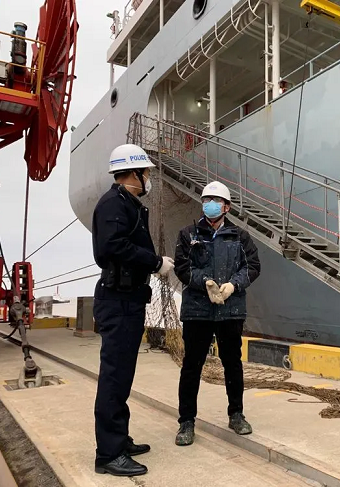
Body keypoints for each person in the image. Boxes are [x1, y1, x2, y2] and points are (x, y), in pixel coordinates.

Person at [92, 144, 175, 477]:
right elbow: (112, 246)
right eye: (146, 172)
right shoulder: (113, 203)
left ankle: (119, 440)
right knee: (114, 376)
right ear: (134, 173)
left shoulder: (126, 203)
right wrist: (154, 262)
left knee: (122, 375)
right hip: (118, 300)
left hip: (127, 299)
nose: (149, 178)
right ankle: (109, 454)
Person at [173, 181, 260, 446]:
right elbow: (182, 267)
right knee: (192, 365)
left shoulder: (239, 236)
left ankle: (236, 414)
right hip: (197, 311)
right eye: (206, 200)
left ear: (227, 207)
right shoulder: (188, 234)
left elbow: (252, 266)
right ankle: (186, 421)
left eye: (216, 201)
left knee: (232, 363)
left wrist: (234, 285)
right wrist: (205, 283)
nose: (210, 205)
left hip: (230, 310)